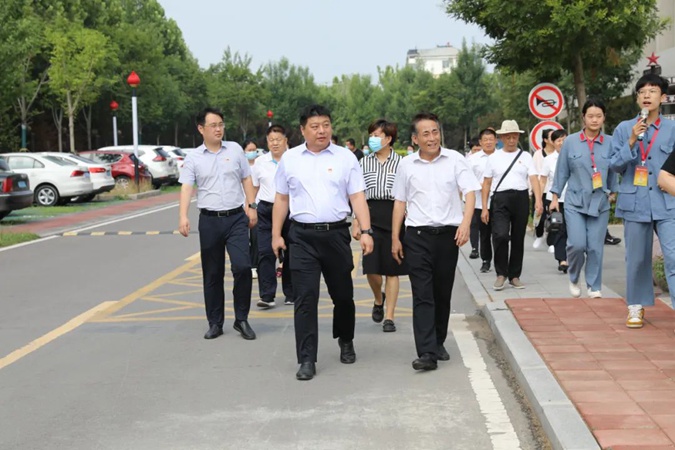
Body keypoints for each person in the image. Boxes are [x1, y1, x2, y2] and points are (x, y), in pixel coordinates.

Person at [272, 104, 374, 381]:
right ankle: (306, 358)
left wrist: (366, 231)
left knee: (343, 295)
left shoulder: (345, 158)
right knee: (305, 299)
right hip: (301, 237)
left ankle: (346, 339)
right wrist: (276, 234)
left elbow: (357, 197)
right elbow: (281, 198)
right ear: (303, 129)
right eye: (315, 126)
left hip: (336, 235)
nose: (321, 131)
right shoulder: (290, 159)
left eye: (326, 125)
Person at [392, 112, 481, 371]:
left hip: (447, 236)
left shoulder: (455, 160)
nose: (432, 138)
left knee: (442, 293)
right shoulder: (406, 165)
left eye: (435, 132)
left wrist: (465, 224)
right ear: (415, 139)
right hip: (417, 236)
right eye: (426, 133)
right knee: (422, 294)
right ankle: (427, 352)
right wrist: (395, 238)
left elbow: (470, 192)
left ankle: (438, 340)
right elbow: (400, 202)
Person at [178, 107, 258, 340]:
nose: (218, 129)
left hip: (236, 218)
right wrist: (183, 216)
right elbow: (187, 187)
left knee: (242, 267)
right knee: (212, 273)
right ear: (201, 128)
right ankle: (215, 322)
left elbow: (246, 177)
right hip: (210, 221)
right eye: (213, 125)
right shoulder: (193, 157)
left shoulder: (234, 150)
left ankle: (241, 319)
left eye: (221, 124)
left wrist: (251, 205)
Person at [610, 74, 675, 328]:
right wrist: (631, 140)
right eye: (642, 92)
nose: (647, 95)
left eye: (653, 91)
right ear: (637, 98)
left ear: (663, 97)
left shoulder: (672, 129)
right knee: (636, 258)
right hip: (635, 202)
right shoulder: (624, 128)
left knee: (673, 256)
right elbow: (614, 165)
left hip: (666, 202)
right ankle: (635, 306)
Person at [552, 99, 617, 298]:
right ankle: (573, 277)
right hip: (575, 201)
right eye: (590, 116)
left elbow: (613, 170)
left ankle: (594, 286)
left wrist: (613, 192)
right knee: (577, 244)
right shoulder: (570, 142)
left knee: (595, 247)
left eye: (598, 116)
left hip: (600, 202)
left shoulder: (611, 142)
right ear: (583, 118)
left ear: (604, 118)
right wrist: (554, 196)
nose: (594, 120)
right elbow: (561, 170)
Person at [352, 119, 408, 333]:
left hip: (394, 214)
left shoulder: (402, 163)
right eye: (371, 135)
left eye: (377, 136)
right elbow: (358, 194)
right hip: (370, 215)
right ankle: (378, 298)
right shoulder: (363, 163)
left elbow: (407, 194)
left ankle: (390, 317)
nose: (372, 139)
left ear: (388, 138)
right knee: (372, 268)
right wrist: (356, 221)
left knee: (392, 269)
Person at [481, 120, 543, 290]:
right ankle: (501, 273)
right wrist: (485, 207)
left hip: (521, 197)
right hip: (500, 198)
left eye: (514, 136)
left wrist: (538, 200)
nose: (511, 140)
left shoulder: (525, 156)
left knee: (518, 237)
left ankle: (514, 275)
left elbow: (533, 179)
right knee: (500, 235)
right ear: (501, 138)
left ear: (518, 137)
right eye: (508, 137)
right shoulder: (493, 158)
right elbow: (486, 183)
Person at [251, 125, 294, 308]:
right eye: (271, 140)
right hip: (266, 210)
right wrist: (251, 207)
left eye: (278, 139)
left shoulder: (294, 159)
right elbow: (254, 188)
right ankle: (267, 295)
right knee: (265, 252)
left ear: (285, 140)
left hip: (290, 210)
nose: (275, 143)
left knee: (291, 252)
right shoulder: (260, 162)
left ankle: (291, 293)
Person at [467, 128, 498, 273]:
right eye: (485, 140)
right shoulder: (473, 160)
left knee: (499, 233)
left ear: (496, 141)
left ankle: (500, 260)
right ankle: (486, 260)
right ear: (480, 142)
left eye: (491, 139)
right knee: (484, 233)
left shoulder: (501, 157)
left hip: (499, 201)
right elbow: (467, 179)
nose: (488, 142)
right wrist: (482, 185)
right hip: (480, 202)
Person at [539, 129, 569, 272]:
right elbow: (543, 181)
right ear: (553, 142)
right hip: (555, 200)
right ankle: (562, 259)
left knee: (573, 230)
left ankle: (573, 256)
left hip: (574, 199)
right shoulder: (548, 160)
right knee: (560, 229)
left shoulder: (574, 157)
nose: (562, 143)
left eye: (564, 139)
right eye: (559, 140)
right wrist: (539, 200)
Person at [532, 129, 556, 249]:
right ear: (545, 140)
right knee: (539, 215)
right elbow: (533, 173)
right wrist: (532, 190)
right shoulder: (538, 154)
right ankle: (539, 235)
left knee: (554, 217)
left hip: (553, 191)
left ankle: (552, 242)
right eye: (551, 137)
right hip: (540, 189)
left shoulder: (559, 154)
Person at [243, 139, 260, 280]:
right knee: (243, 238)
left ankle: (254, 266)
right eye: (249, 150)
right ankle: (245, 264)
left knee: (255, 238)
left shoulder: (260, 165)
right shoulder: (241, 166)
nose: (252, 152)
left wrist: (251, 205)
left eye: (254, 150)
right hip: (241, 206)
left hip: (256, 206)